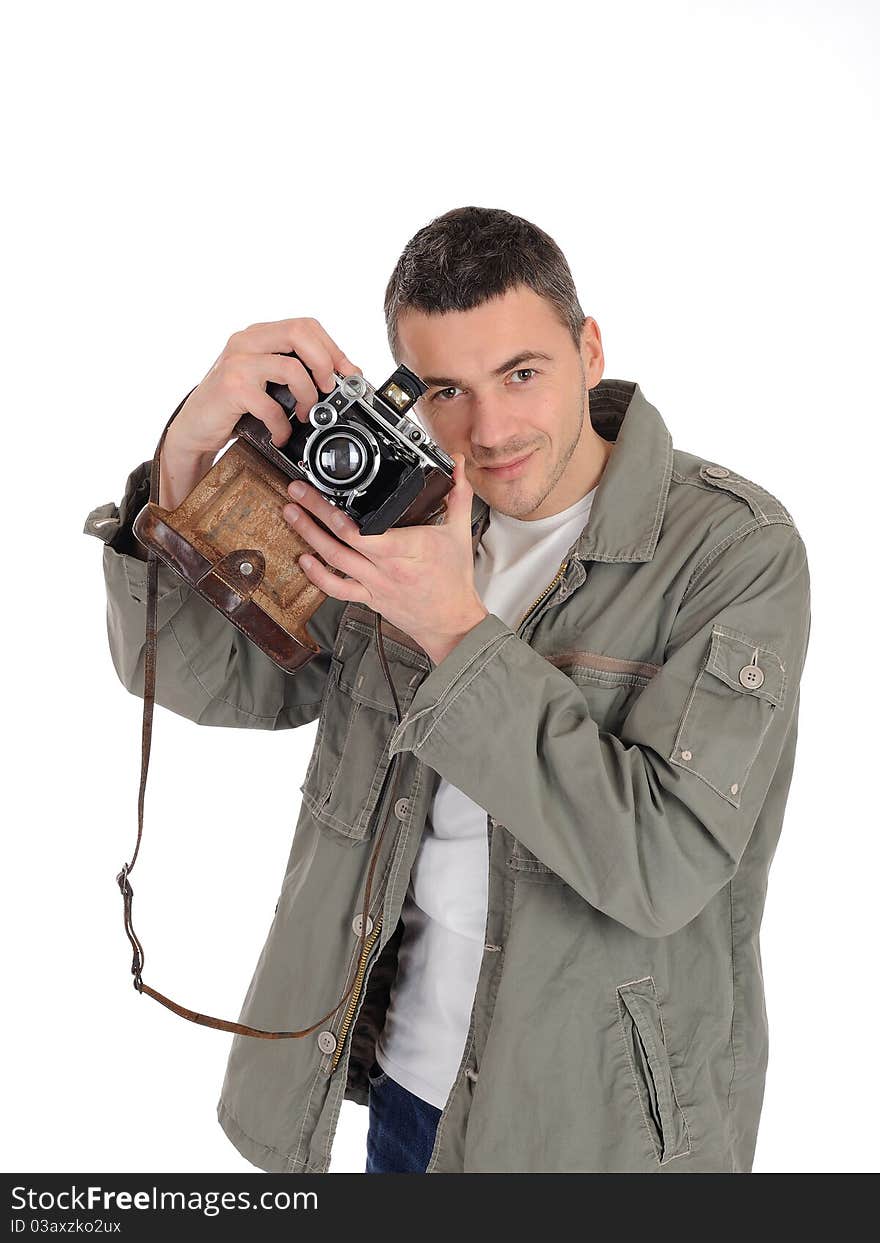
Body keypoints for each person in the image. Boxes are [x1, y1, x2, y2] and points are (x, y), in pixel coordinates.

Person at [84, 206, 811, 1173]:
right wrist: (186, 463)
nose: (492, 427)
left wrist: (455, 630)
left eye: (522, 373)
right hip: (409, 1100)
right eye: (445, 390)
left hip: (595, 1138)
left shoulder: (733, 551)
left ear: (588, 350)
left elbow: (661, 863)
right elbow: (193, 675)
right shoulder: (395, 522)